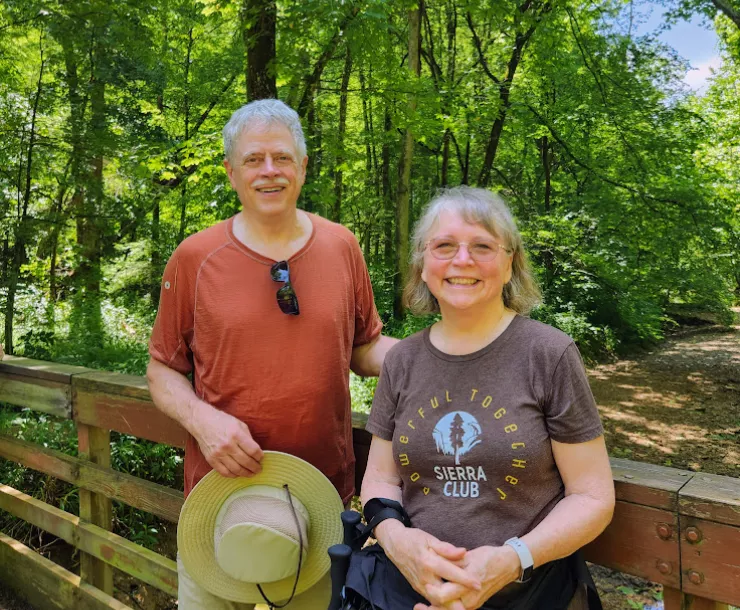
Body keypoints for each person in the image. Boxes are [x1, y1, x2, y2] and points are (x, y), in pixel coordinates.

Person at [147, 98, 396, 609]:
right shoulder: (195, 257)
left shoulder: (342, 246)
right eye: (253, 159)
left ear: (303, 167)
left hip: (319, 497)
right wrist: (204, 422)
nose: (269, 171)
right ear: (231, 172)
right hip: (221, 496)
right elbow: (162, 368)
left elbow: (364, 348)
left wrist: (436, 357)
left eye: (282, 158)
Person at [360, 187, 614, 610]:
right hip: (410, 590)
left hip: (528, 591)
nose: (462, 260)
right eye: (444, 246)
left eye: (482, 246)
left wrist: (511, 560)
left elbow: (592, 496)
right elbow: (381, 480)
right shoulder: (401, 360)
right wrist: (397, 541)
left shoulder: (549, 355)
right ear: (423, 265)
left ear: (509, 261)